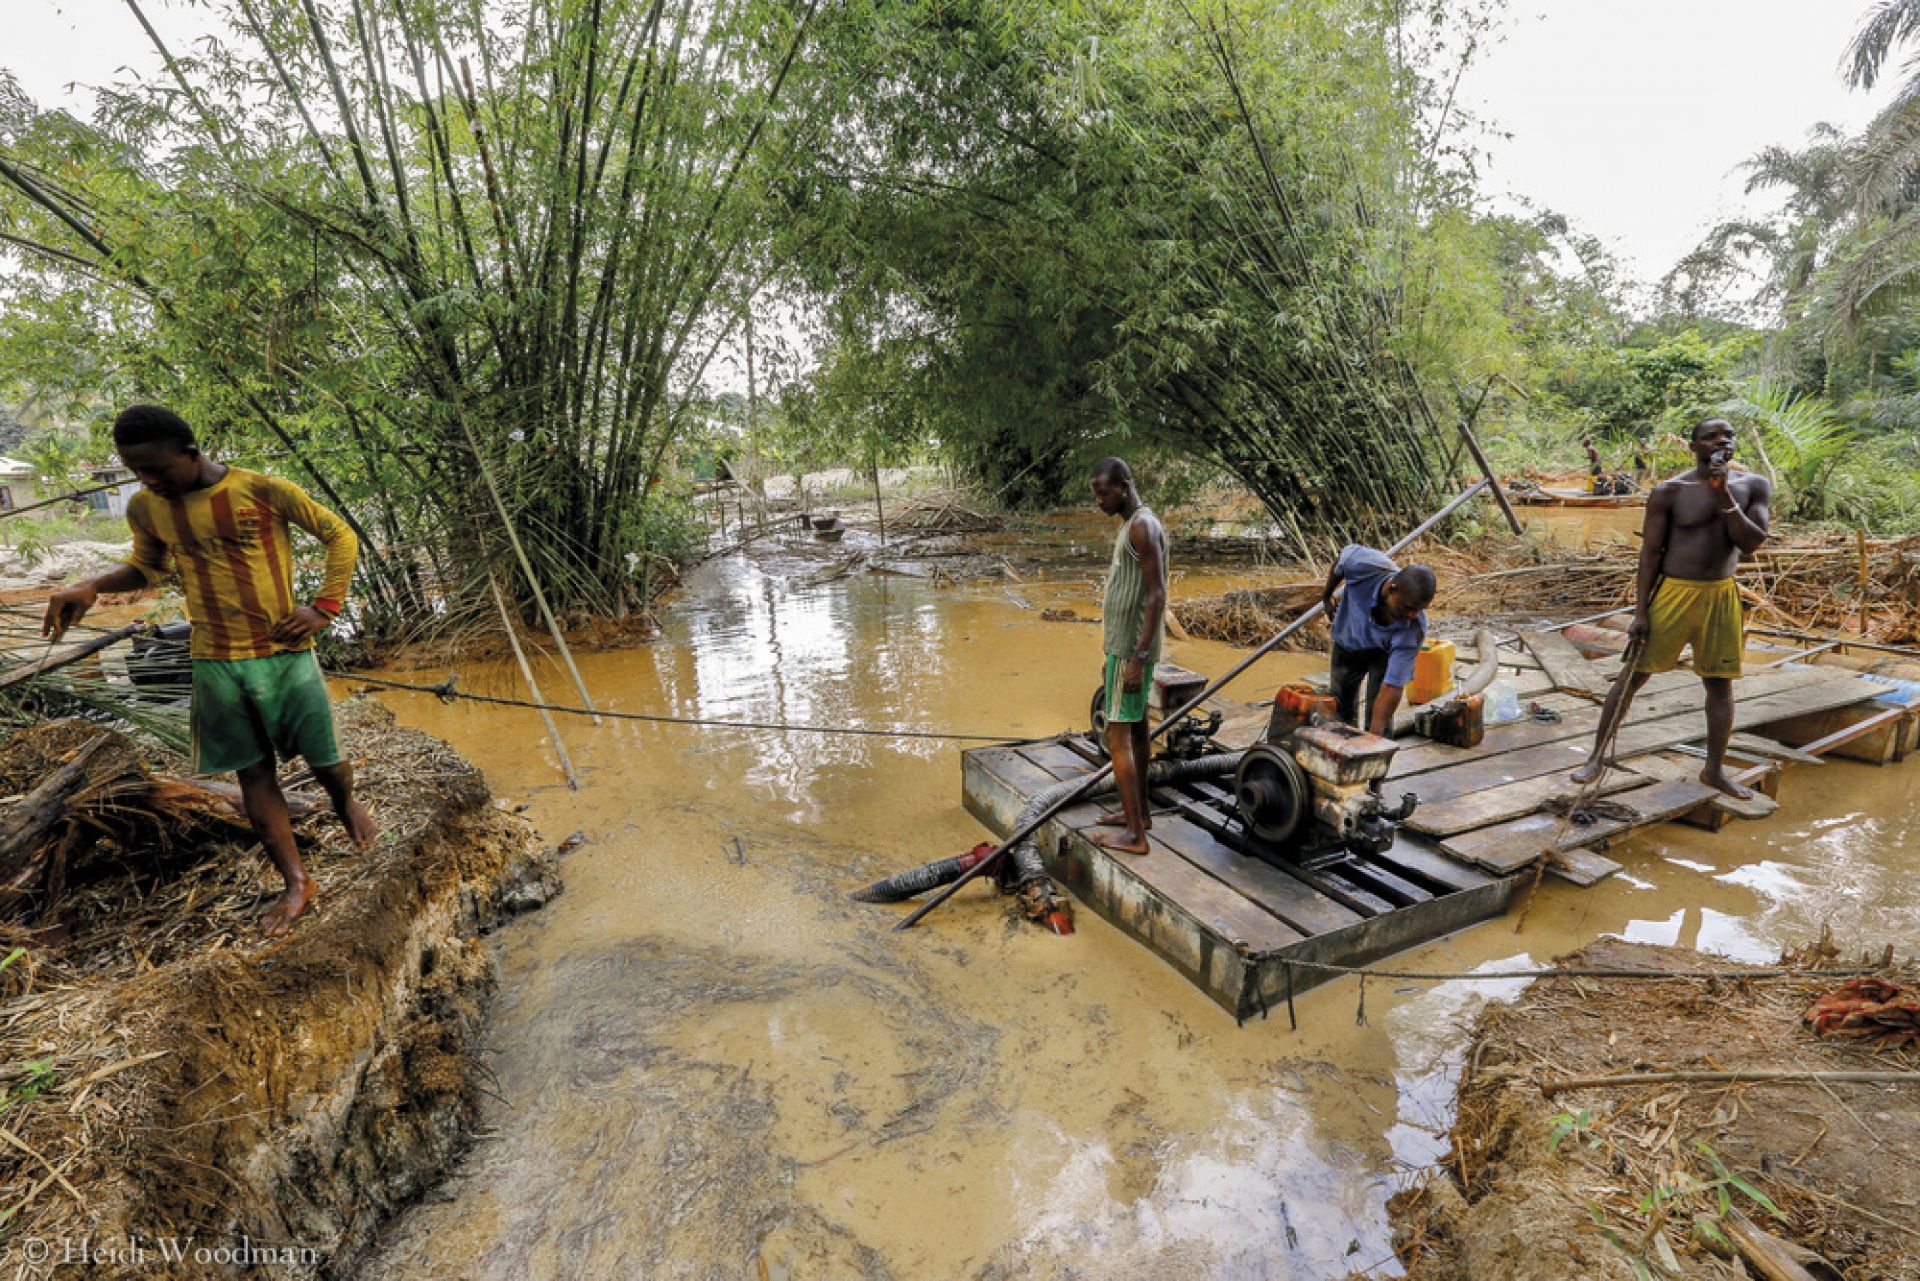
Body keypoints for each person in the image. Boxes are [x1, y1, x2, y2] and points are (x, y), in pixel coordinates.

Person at [43, 405, 377, 936]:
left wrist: (324, 607)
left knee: (328, 762)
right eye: (137, 471)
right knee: (252, 771)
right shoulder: (147, 508)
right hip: (215, 657)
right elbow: (149, 567)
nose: (148, 480)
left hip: (282, 652)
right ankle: (297, 882)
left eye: (156, 468)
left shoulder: (263, 490)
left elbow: (340, 535)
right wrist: (92, 584)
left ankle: (345, 803)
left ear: (191, 453)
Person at [1571, 416, 1771, 798]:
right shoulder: (1669, 491)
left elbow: (1751, 543)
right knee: (1633, 675)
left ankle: (1713, 770)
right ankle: (1596, 758)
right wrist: (1641, 612)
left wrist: (1723, 494)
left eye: (1726, 436)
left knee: (1719, 684)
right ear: (1693, 447)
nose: (1719, 442)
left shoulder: (1752, 486)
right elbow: (1650, 553)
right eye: (1709, 437)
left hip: (1720, 595)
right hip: (1673, 593)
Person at [1088, 456, 1167, 856]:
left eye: (1104, 493)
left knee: (1116, 735)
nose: (1099, 501)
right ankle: (1139, 814)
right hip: (1124, 647)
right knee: (1135, 728)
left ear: (1124, 485)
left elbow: (1157, 594)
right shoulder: (1134, 526)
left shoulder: (1141, 526)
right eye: (1096, 494)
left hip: (1131, 648)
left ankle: (1136, 835)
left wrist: (1135, 657)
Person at [1320, 546, 1437, 736]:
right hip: (1348, 642)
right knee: (1341, 710)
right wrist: (1327, 594)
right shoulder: (1365, 565)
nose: (1412, 615)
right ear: (1392, 589)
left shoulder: (1413, 628)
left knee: (1379, 722)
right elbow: (1342, 559)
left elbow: (1393, 685)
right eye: (1407, 608)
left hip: (1383, 653)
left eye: (1419, 610)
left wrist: (1373, 741)